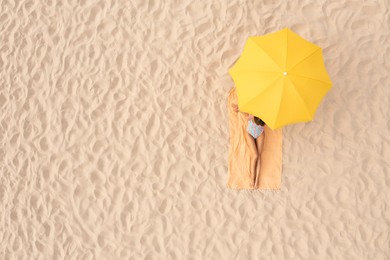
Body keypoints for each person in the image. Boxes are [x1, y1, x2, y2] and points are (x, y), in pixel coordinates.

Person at [232, 102, 265, 186]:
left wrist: (253, 116)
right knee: (255, 155)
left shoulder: (264, 115)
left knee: (259, 156)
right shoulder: (252, 112)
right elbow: (244, 112)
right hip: (250, 133)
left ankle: (257, 179)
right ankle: (252, 178)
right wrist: (238, 109)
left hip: (260, 134)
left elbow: (252, 117)